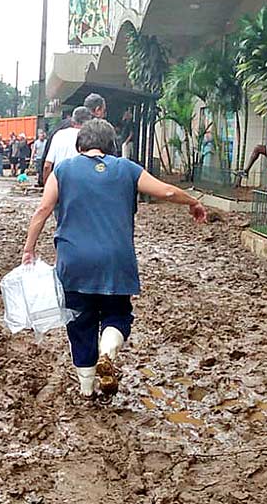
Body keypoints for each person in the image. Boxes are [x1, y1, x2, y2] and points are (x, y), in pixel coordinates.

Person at [22, 118, 208, 397]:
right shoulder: (127, 169)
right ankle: (107, 351)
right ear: (111, 146)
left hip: (74, 262)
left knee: (80, 323)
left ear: (79, 144)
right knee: (117, 314)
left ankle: (86, 390)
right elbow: (167, 191)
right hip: (116, 261)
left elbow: (43, 210)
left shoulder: (62, 170)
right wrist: (192, 201)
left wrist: (29, 249)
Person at [43, 106, 91, 183]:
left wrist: (47, 187)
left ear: (72, 121)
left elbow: (47, 166)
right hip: (81, 185)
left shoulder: (59, 135)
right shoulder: (90, 137)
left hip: (60, 183)